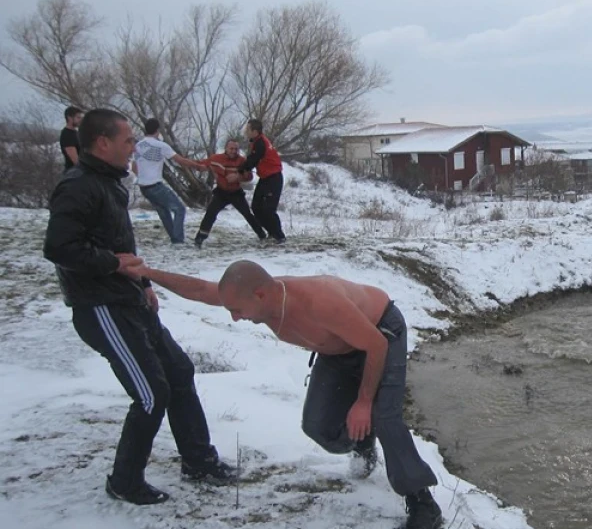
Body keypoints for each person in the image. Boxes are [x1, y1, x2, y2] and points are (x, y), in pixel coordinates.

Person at [121, 260, 443, 529]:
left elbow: (376, 346)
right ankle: (362, 441)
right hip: (338, 349)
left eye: (236, 310)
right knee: (317, 426)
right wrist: (148, 273)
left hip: (380, 334)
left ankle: (423, 504)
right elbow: (202, 290)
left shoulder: (320, 301)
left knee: (383, 417)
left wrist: (362, 402)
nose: (234, 317)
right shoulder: (257, 297)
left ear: (260, 294)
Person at [42, 109, 236, 506]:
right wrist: (114, 266)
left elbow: (121, 243)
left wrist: (143, 282)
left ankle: (198, 461)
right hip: (100, 307)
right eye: (128, 140)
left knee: (179, 370)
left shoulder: (111, 183)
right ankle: (125, 481)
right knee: (151, 393)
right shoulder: (78, 186)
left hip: (129, 298)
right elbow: (59, 248)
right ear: (103, 143)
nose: (134, 146)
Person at [132, 118, 198, 244]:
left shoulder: (138, 146)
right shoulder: (160, 145)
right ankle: (178, 240)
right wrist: (199, 166)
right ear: (158, 130)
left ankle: (174, 238)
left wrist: (143, 176)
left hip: (143, 186)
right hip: (155, 185)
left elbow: (134, 167)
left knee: (164, 212)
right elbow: (181, 161)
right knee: (179, 209)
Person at [191, 139, 267, 248]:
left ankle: (262, 235)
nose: (234, 151)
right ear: (226, 148)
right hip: (221, 192)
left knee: (247, 214)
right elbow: (202, 164)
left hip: (236, 193)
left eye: (236, 149)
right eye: (231, 148)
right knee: (210, 213)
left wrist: (239, 177)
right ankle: (200, 238)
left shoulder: (242, 161)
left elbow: (249, 177)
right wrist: (191, 164)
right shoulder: (216, 159)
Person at [240, 119, 286, 244]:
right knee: (256, 207)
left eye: (248, 129)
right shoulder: (256, 141)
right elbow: (252, 159)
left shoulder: (260, 143)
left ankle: (279, 236)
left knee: (268, 209)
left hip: (273, 178)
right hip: (265, 178)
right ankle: (271, 232)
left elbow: (253, 160)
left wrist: (241, 170)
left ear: (255, 131)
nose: (246, 131)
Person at [59, 106, 83, 172]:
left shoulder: (75, 133)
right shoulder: (67, 135)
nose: (80, 120)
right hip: (73, 173)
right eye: (78, 117)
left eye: (81, 117)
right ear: (69, 118)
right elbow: (75, 160)